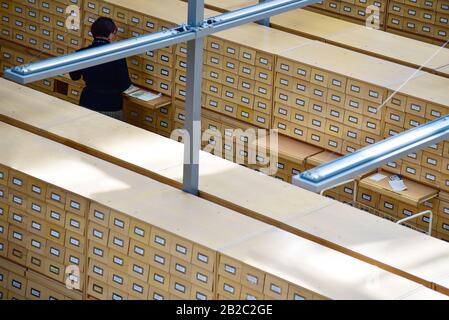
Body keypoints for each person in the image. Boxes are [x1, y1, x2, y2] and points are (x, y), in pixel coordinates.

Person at [69, 17, 131, 120]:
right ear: (111, 33)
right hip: (111, 106)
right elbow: (124, 85)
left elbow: (74, 77)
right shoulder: (118, 56)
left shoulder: (80, 54)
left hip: (88, 103)